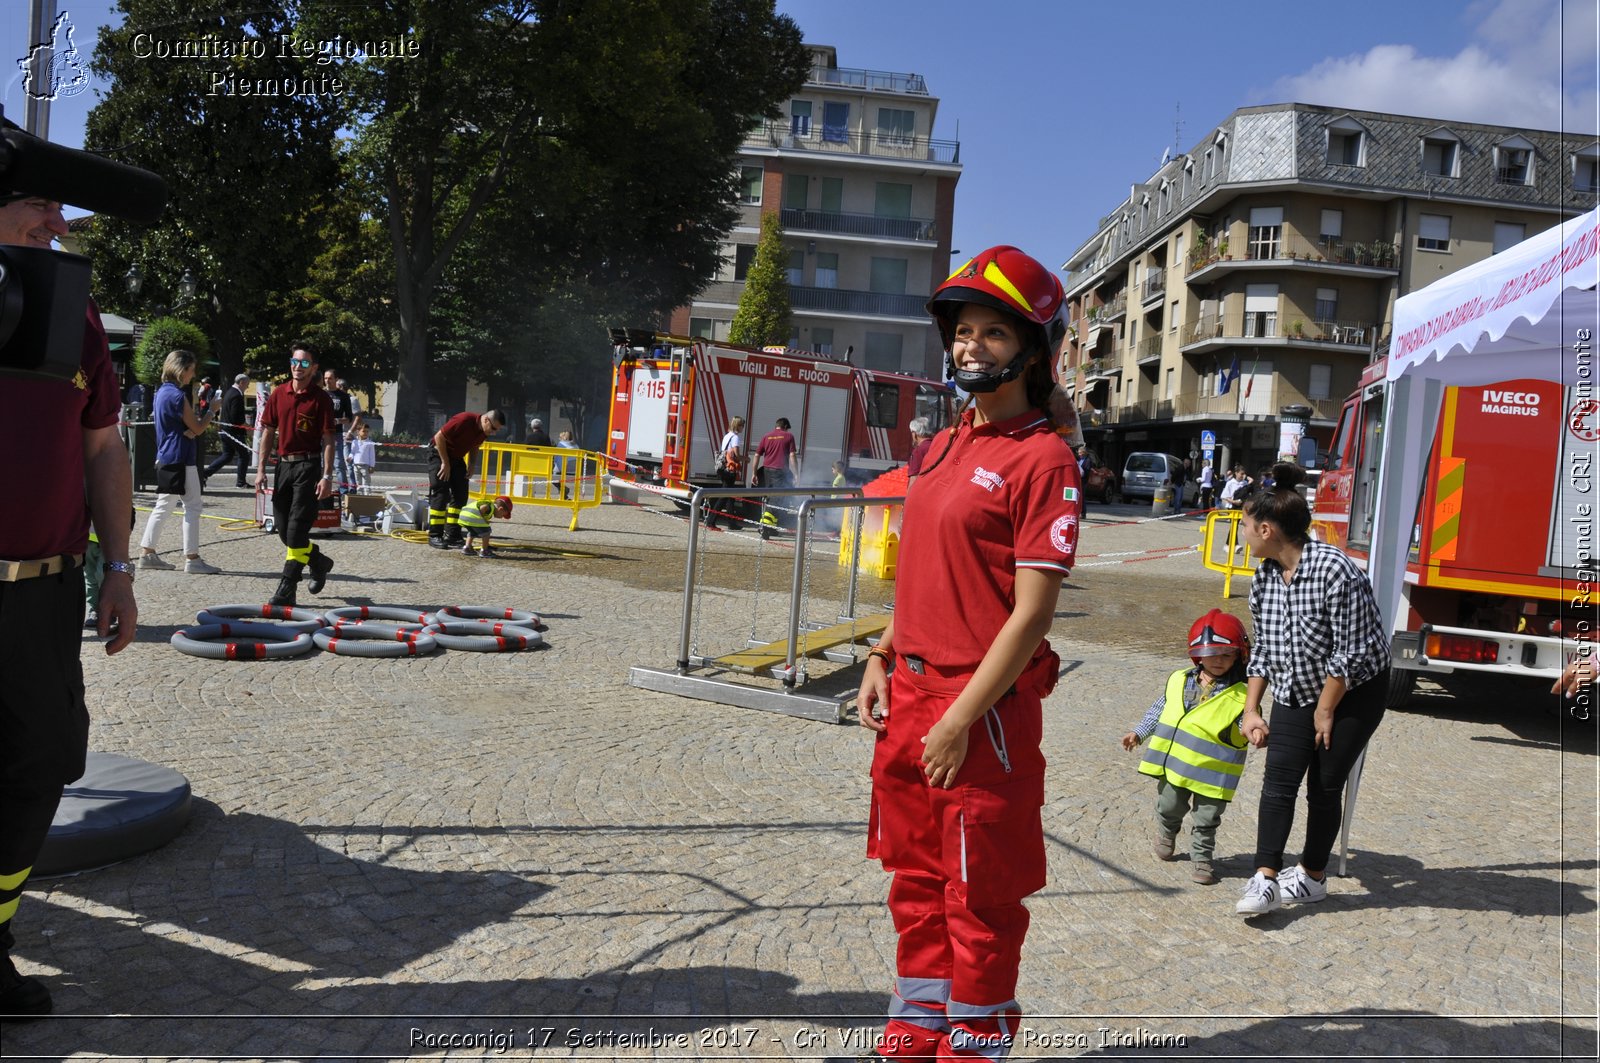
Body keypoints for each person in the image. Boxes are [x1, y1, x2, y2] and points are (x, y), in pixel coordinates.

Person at [851, 245, 1080, 1062]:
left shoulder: (1043, 458)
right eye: (963, 330)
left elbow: (1030, 617)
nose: (970, 346)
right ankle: (914, 1036)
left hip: (978, 717)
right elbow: (924, 572)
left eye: (991, 331)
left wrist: (957, 718)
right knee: (914, 887)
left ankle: (974, 1049)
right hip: (909, 699)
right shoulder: (942, 447)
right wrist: (883, 651)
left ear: (1030, 348)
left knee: (978, 901)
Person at [0, 186, 138, 1019]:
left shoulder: (76, 317)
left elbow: (105, 449)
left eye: (62, 210)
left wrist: (118, 565)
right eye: (38, 206)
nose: (59, 224)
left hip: (44, 590)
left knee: (44, 760)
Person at [1234, 463, 1392, 916]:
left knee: (1324, 785)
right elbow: (1262, 647)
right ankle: (1265, 878)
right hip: (1296, 687)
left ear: (1267, 528)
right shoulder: (1265, 575)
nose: (1242, 533)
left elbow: (1352, 652)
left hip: (1355, 691)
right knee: (1278, 782)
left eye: (1245, 525)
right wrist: (1252, 709)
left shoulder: (1336, 570)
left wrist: (1325, 711)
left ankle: (1313, 876)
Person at [1121, 610, 1251, 885]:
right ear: (1197, 654)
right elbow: (1160, 709)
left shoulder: (1243, 694)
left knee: (1206, 819)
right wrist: (1139, 732)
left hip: (1213, 775)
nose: (1219, 660)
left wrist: (1252, 727)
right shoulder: (1180, 679)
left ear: (1238, 656)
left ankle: (1202, 860)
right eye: (1212, 654)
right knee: (1169, 807)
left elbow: (1244, 721)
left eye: (1227, 655)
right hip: (1174, 767)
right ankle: (1167, 833)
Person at [255, 344, 337, 606]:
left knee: (297, 529)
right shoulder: (279, 393)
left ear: (313, 369)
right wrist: (260, 470)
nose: (297, 367)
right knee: (283, 530)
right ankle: (318, 561)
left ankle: (287, 588)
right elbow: (267, 431)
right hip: (284, 467)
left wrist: (326, 476)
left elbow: (328, 440)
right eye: (294, 361)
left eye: (303, 364)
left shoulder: (320, 399)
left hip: (308, 467)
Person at [137, 350, 221, 575]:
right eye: (191, 370)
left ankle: (148, 552)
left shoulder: (162, 393)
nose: (192, 375)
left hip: (167, 455)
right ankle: (191, 558)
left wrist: (189, 432)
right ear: (181, 370)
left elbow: (177, 427)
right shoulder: (176, 395)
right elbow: (198, 427)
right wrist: (212, 410)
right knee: (191, 506)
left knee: (164, 506)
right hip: (182, 457)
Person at [427, 408, 507, 549]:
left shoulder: (483, 431)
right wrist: (445, 463)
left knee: (461, 494)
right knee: (441, 493)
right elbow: (439, 437)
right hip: (439, 453)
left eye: (497, 430)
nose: (493, 432)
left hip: (457, 458)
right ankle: (435, 535)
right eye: (493, 428)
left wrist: (471, 464)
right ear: (486, 420)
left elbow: (475, 445)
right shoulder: (464, 420)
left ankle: (453, 535)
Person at [203, 372, 251, 488]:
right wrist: (247, 427)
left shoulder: (229, 392)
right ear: (241, 382)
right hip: (233, 432)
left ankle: (204, 473)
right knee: (244, 455)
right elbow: (236, 417)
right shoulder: (237, 395)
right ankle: (241, 482)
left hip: (225, 430)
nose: (247, 387)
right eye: (247, 384)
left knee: (227, 455)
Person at [322, 370, 358, 495]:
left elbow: (349, 417)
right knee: (321, 462)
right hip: (319, 433)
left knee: (338, 463)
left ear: (336, 379)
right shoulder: (320, 393)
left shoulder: (343, 396)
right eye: (325, 378)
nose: (327, 380)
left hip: (335, 433)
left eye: (330, 378)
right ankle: (321, 487)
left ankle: (344, 490)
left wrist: (337, 420)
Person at [708, 415, 745, 529]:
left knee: (729, 497)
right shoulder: (735, 437)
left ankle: (731, 523)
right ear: (738, 426)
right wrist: (746, 459)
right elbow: (737, 455)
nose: (743, 428)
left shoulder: (727, 436)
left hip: (722, 468)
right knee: (724, 496)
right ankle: (711, 520)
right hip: (730, 468)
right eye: (742, 426)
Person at [752, 416, 799, 489]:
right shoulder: (789, 436)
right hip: (780, 471)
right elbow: (792, 455)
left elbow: (756, 455)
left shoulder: (766, 436)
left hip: (766, 470)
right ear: (785, 427)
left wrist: (754, 474)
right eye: (787, 429)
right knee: (778, 496)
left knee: (769, 493)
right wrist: (796, 474)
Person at [905, 416, 935, 483]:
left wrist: (910, 493)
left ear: (914, 434)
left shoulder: (918, 451)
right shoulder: (937, 446)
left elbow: (914, 477)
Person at [349, 422, 377, 494]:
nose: (366, 433)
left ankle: (367, 496)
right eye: (364, 431)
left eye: (367, 431)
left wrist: (372, 466)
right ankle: (359, 496)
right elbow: (353, 452)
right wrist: (350, 457)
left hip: (365, 466)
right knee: (358, 483)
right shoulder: (354, 442)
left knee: (366, 482)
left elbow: (372, 456)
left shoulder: (370, 443)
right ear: (358, 432)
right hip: (355, 465)